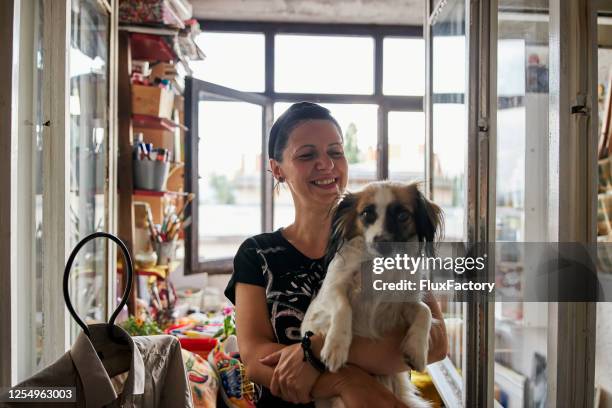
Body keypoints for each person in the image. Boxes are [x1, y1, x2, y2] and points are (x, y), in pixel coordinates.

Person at [224, 102, 448, 407]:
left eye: (335, 152)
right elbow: (255, 359)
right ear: (277, 169)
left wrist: (315, 349)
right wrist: (344, 382)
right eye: (307, 155)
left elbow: (435, 346)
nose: (326, 164)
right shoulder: (257, 254)